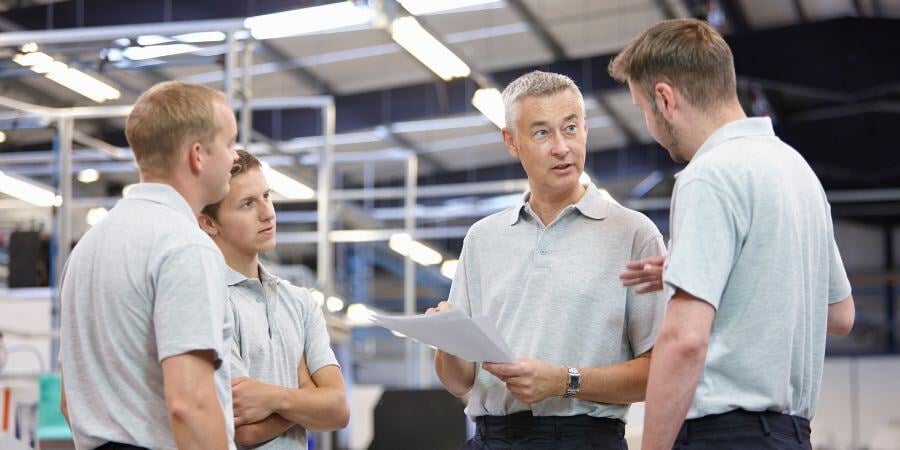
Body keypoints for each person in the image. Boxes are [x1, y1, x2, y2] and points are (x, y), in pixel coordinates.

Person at [610, 18, 855, 450]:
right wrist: (725, 265)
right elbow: (840, 315)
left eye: (642, 108)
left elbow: (685, 340)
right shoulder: (796, 170)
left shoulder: (708, 174)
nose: (647, 124)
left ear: (665, 99)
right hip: (791, 436)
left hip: (723, 436)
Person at [429, 70, 668, 449]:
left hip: (583, 439)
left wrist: (565, 381)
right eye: (542, 132)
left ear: (586, 129)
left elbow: (661, 371)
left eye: (570, 128)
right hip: (490, 437)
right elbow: (459, 381)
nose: (561, 147)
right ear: (511, 141)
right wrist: (446, 338)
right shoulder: (483, 238)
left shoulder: (632, 233)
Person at [58, 81, 240, 450]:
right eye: (230, 143)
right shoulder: (184, 245)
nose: (235, 157)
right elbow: (190, 404)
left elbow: (70, 399)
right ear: (197, 156)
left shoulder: (89, 247)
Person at [199, 150, 350, 449]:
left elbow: (339, 410)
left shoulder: (301, 302)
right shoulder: (208, 301)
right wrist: (306, 394)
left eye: (266, 196)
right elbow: (244, 430)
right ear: (209, 223)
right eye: (247, 204)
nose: (267, 212)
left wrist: (274, 397)